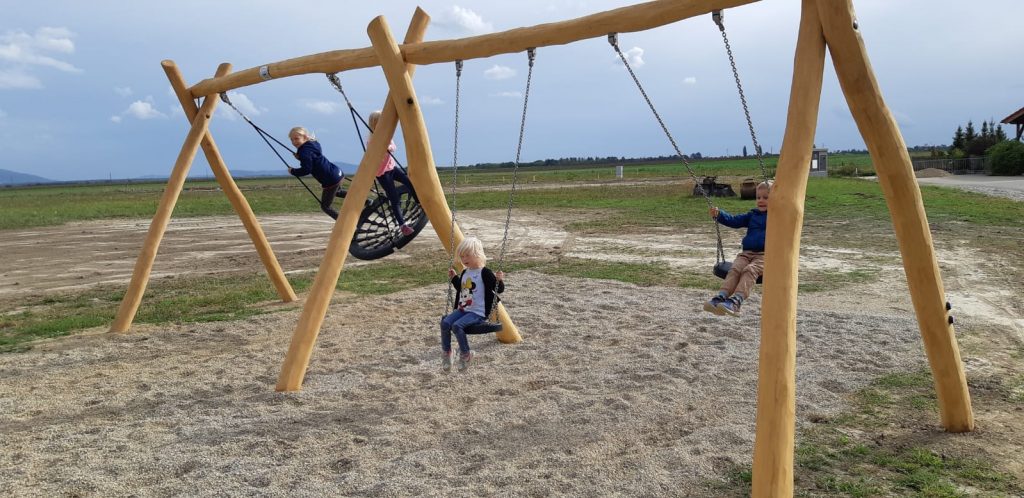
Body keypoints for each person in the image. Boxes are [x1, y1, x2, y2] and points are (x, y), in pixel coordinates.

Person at [703, 180, 772, 316]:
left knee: (750, 270)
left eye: (766, 197)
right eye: (758, 197)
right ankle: (721, 297)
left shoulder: (777, 217)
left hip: (766, 255)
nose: (761, 200)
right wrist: (719, 215)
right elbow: (734, 221)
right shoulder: (752, 215)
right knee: (735, 269)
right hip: (746, 253)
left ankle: (736, 301)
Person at [441, 237, 505, 372]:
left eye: (467, 255)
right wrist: (454, 278)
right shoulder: (465, 272)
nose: (464, 259)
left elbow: (498, 289)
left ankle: (466, 354)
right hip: (463, 309)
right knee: (445, 323)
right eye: (462, 256)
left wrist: (499, 280)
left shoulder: (484, 272)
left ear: (477, 254)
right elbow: (462, 289)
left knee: (457, 326)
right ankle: (447, 353)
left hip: (477, 312)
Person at [367, 110, 415, 236]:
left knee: (409, 181)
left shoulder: (387, 135)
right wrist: (382, 148)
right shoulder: (372, 140)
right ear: (375, 124)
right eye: (382, 121)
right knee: (394, 199)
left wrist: (387, 147)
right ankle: (403, 225)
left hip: (392, 168)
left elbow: (393, 147)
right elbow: (373, 154)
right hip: (382, 174)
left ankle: (419, 200)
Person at [288, 127, 345, 220]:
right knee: (338, 192)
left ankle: (343, 223)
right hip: (337, 172)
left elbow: (306, 170)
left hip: (330, 179)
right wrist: (301, 158)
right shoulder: (313, 144)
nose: (294, 142)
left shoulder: (303, 152)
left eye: (296, 139)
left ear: (305, 137)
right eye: (292, 140)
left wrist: (293, 171)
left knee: (325, 207)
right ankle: (366, 201)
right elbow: (314, 157)